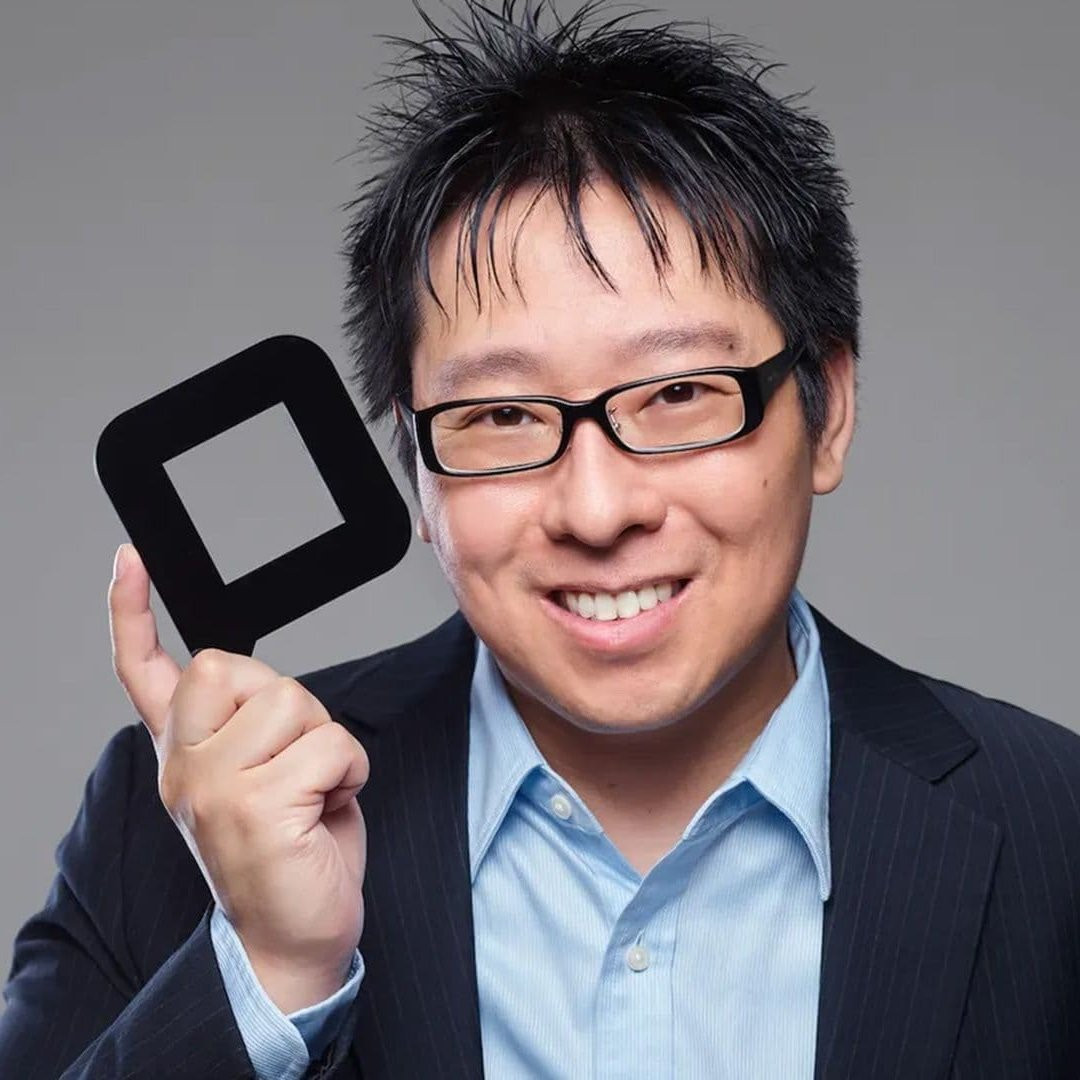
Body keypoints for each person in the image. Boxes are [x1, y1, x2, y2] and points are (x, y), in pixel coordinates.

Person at [3, 2, 1079, 1077]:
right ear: (414, 466)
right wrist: (272, 974)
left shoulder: (1056, 828)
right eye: (504, 415)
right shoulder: (180, 825)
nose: (597, 510)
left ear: (827, 409)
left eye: (679, 393)